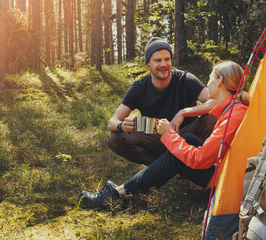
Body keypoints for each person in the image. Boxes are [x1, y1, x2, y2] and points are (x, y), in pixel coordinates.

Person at [80, 61, 250, 210]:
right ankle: (146, 183)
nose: (208, 82)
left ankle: (117, 194)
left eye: (210, 78)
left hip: (225, 179)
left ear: (219, 82)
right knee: (187, 140)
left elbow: (200, 159)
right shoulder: (235, 107)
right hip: (226, 170)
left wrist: (168, 133)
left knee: (175, 157)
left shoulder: (232, 116)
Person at [107, 37, 218, 165]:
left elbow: (216, 102)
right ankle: (158, 167)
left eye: (167, 59)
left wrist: (183, 112)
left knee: (212, 117)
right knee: (115, 138)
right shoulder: (139, 88)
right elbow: (112, 122)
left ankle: (199, 165)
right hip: (156, 139)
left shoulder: (185, 79)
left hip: (186, 136)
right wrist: (121, 126)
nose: (164, 64)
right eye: (157, 60)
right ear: (148, 63)